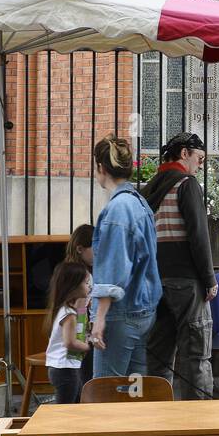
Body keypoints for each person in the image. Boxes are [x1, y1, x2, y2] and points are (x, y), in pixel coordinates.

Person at [141, 131, 217, 399]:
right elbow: (199, 235)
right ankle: (199, 422)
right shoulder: (187, 184)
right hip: (187, 282)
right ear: (184, 153)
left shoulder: (149, 189)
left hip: (156, 283)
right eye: (200, 158)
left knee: (158, 357)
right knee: (195, 356)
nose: (201, 164)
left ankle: (157, 419)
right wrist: (209, 279)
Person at [88, 134, 163, 376]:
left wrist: (99, 319)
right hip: (144, 311)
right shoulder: (138, 202)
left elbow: (113, 270)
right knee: (133, 393)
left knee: (106, 396)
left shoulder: (117, 209)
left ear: (101, 167)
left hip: (121, 314)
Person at [43, 260, 92, 404]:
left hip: (65, 367)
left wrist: (83, 305)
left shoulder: (68, 310)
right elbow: (70, 342)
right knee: (64, 408)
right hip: (64, 369)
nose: (89, 286)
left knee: (73, 403)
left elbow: (81, 329)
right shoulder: (69, 315)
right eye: (86, 283)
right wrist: (88, 346)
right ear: (74, 287)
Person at [65, 223, 94, 379]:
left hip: (68, 335)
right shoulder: (83, 275)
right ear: (80, 249)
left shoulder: (67, 270)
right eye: (95, 248)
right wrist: (82, 342)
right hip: (79, 337)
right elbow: (80, 308)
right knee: (83, 380)